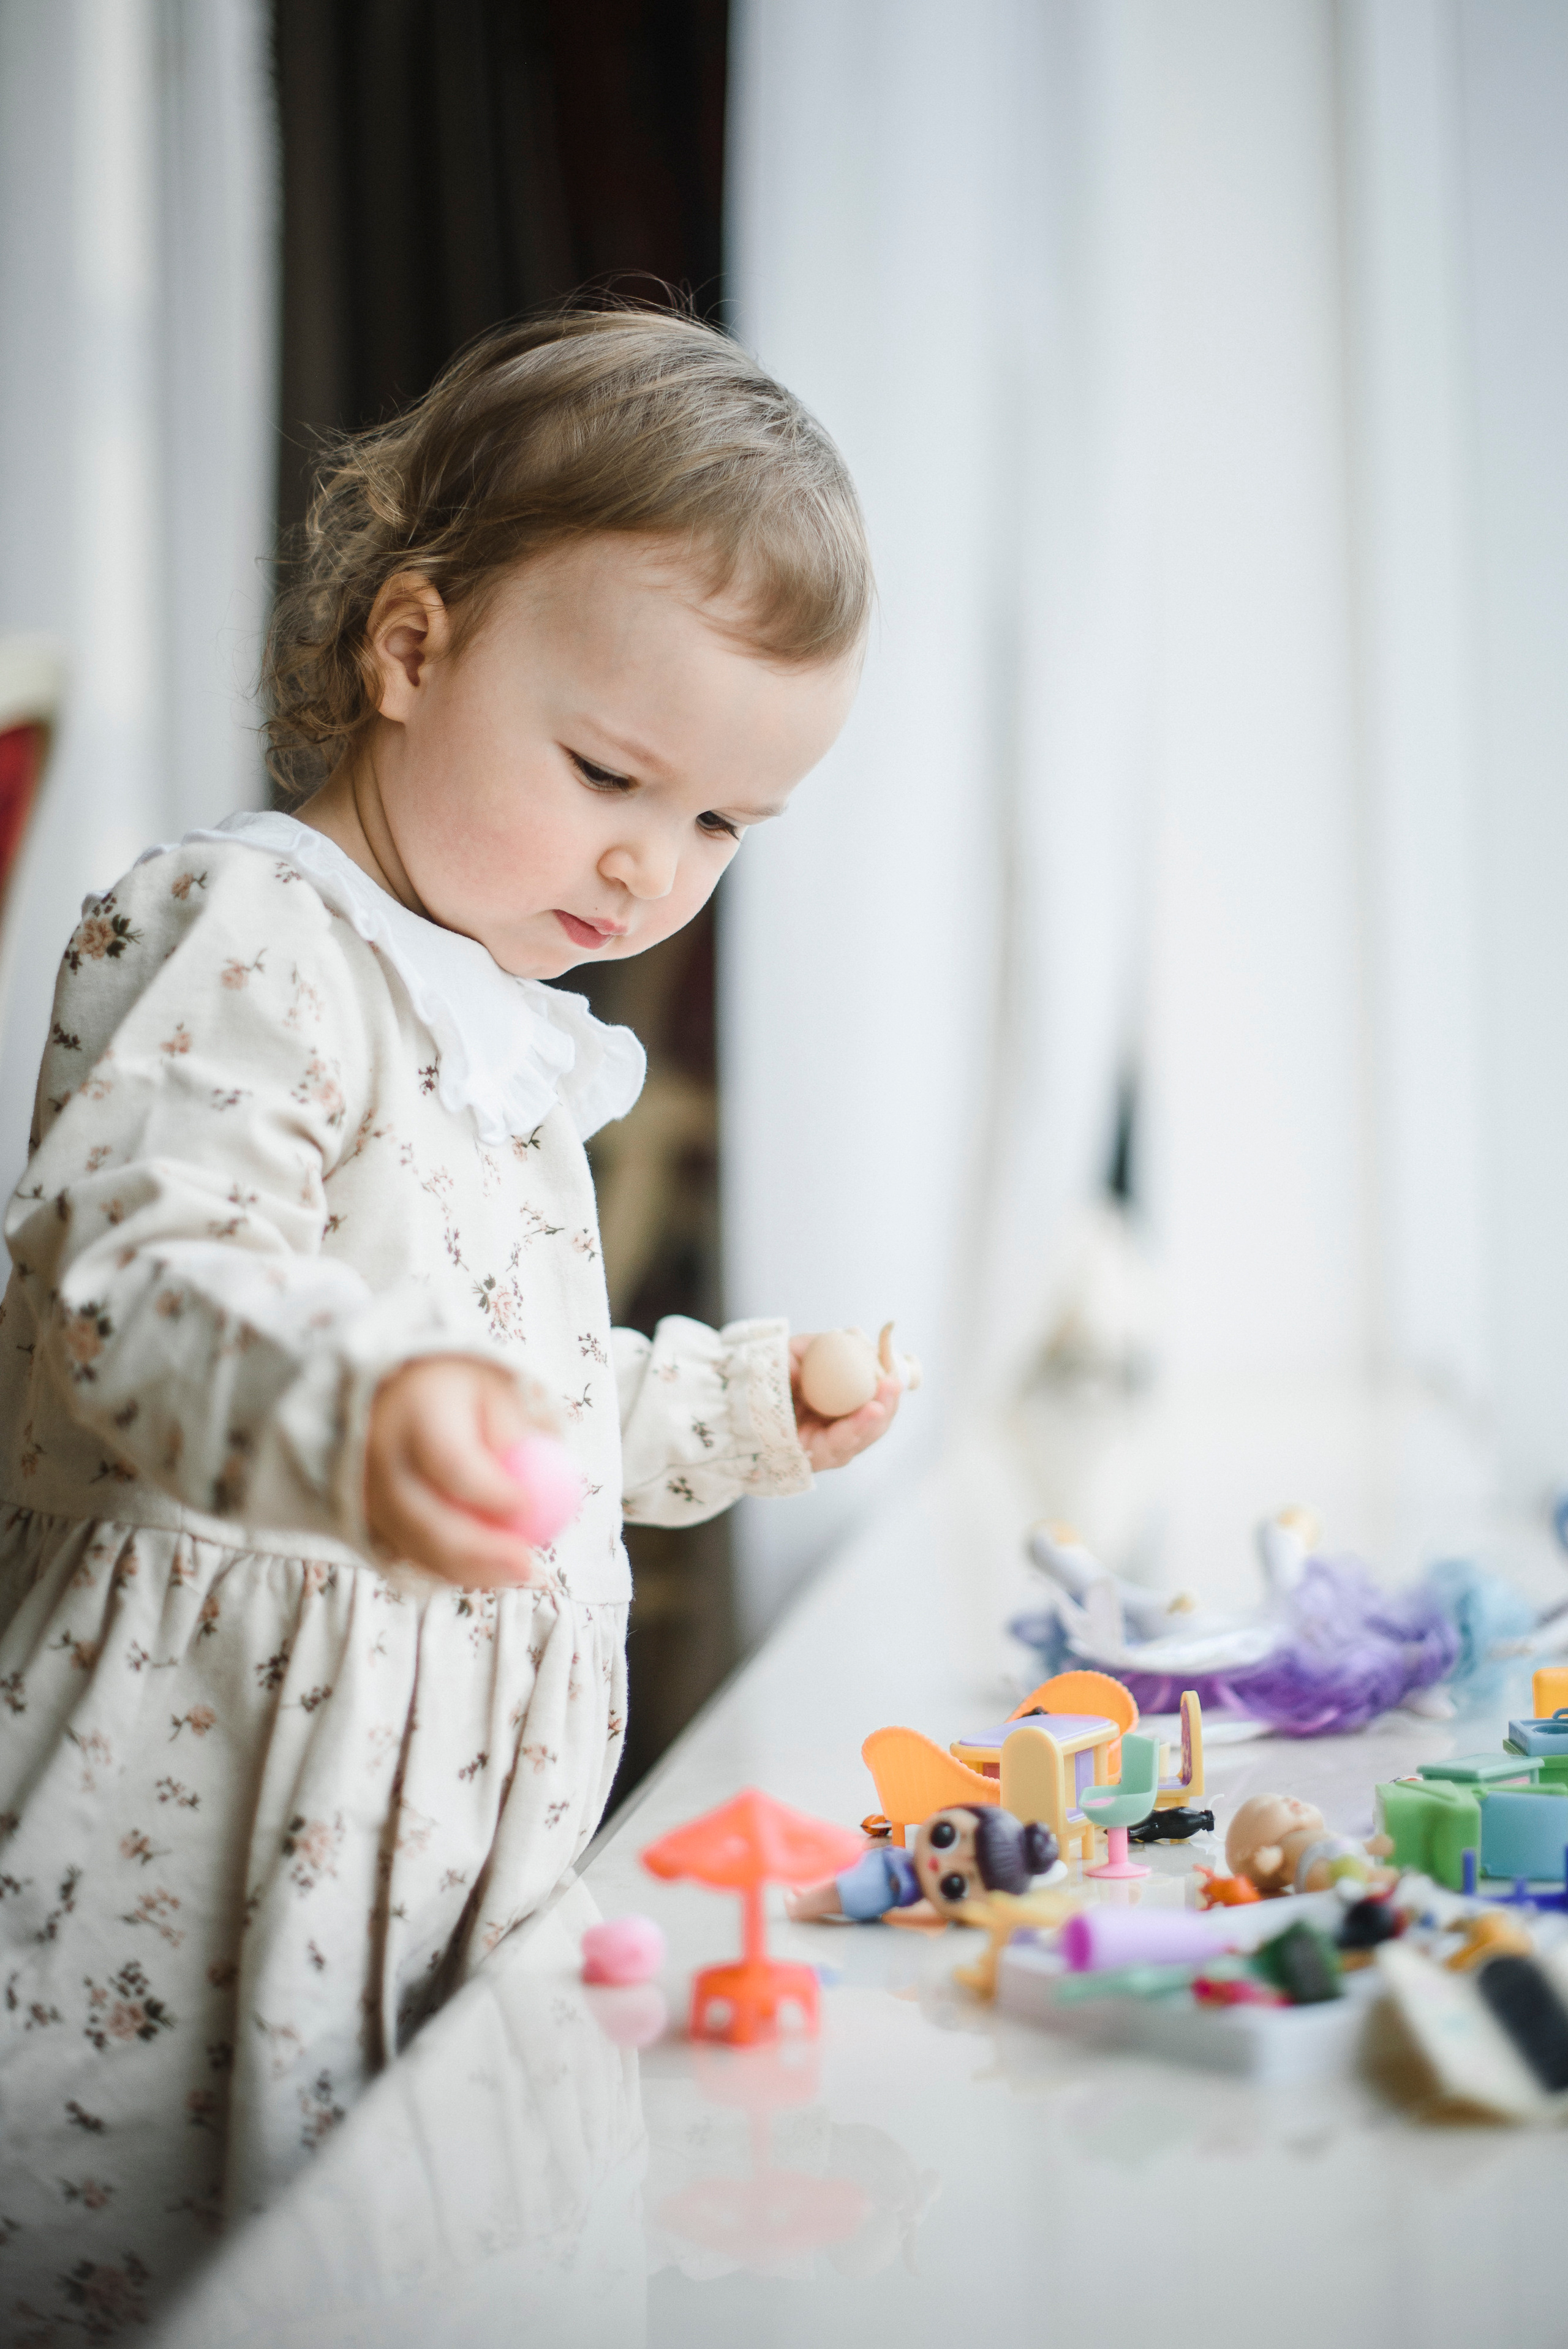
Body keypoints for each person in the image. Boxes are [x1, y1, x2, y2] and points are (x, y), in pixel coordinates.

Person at [0, 309, 895, 2257]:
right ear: (410, 648)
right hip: (191, 1844)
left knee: (415, 2258)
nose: (652, 867)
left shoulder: (493, 1016)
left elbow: (526, 1391)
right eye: (609, 771)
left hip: (436, 1873)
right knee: (151, 2253)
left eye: (723, 823)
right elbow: (134, 1280)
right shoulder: (243, 931)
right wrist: (364, 1408)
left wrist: (738, 1406)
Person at [785, 1808, 1060, 1923]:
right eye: (946, 1837)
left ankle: (802, 1907)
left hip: (878, 1887)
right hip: (878, 1869)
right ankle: (806, 1897)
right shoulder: (906, 1856)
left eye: (954, 1885)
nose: (940, 1864)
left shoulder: (894, 1885)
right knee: (842, 1875)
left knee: (844, 1893)